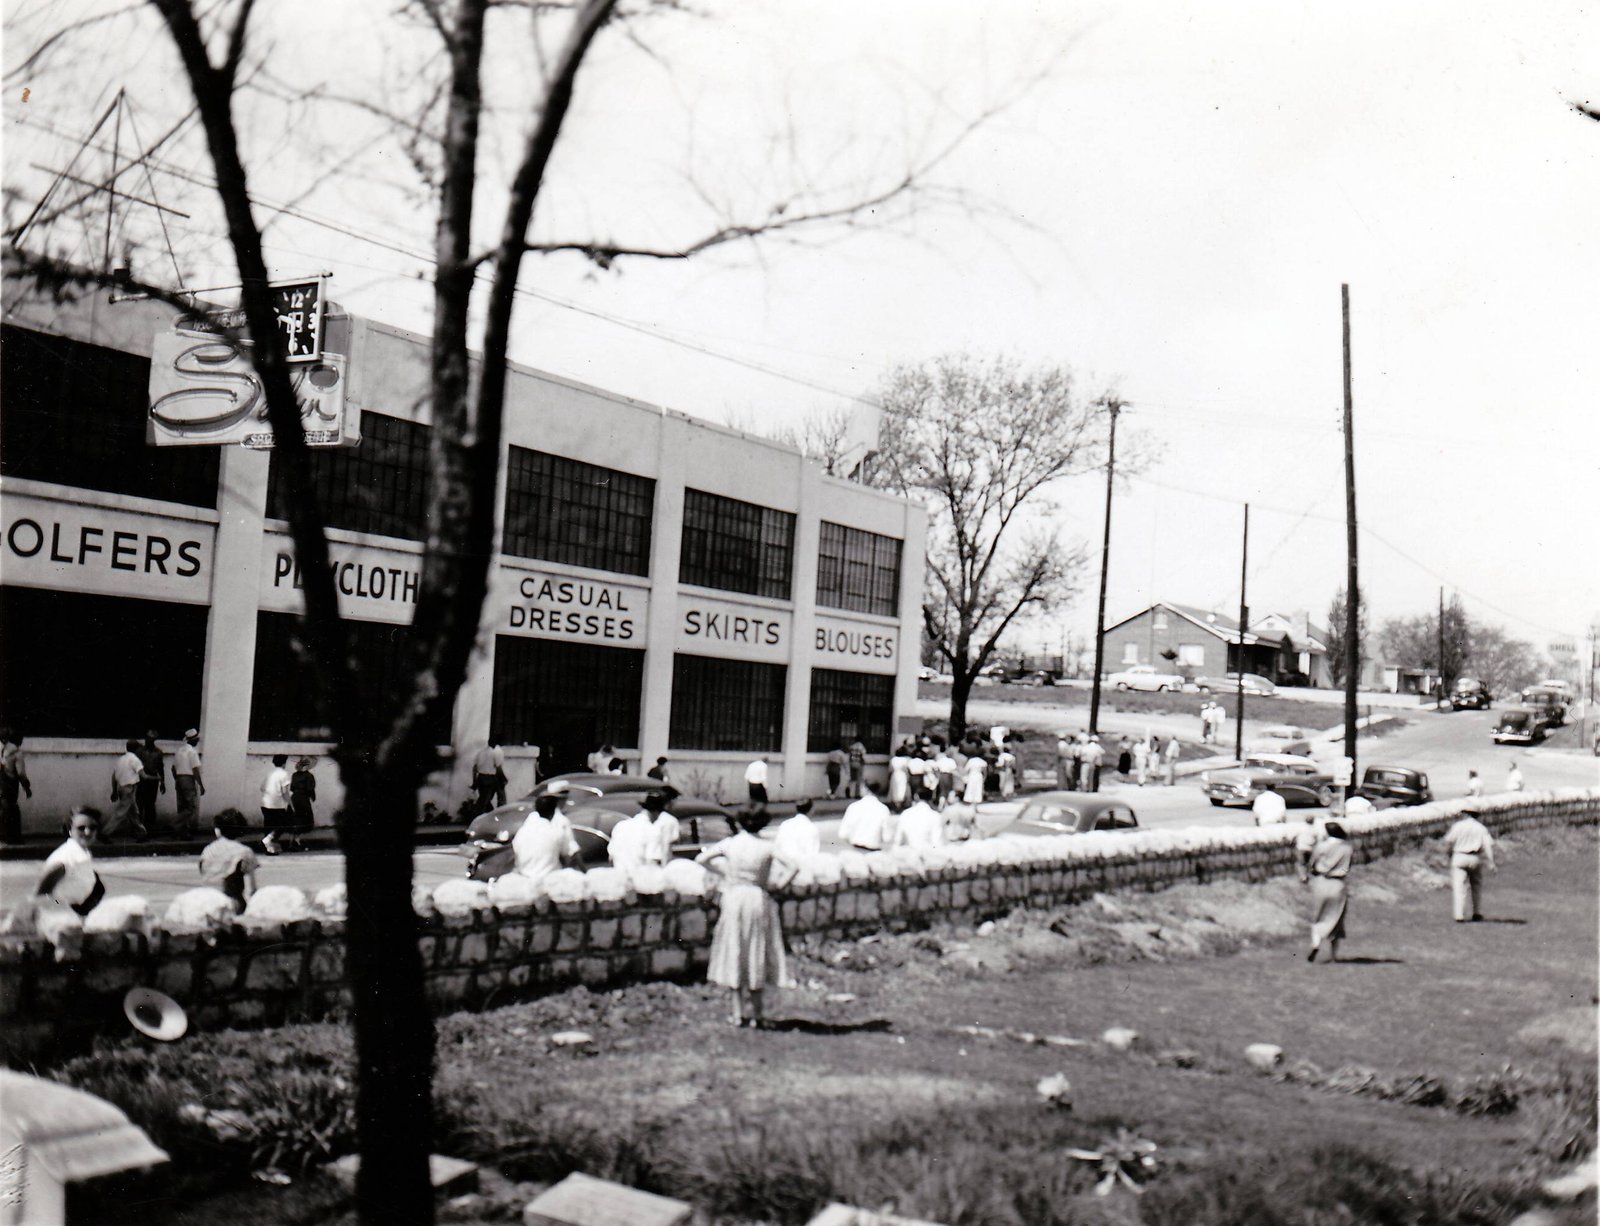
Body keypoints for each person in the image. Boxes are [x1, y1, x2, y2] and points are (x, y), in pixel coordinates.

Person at [696, 808, 797, 1028]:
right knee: (755, 948)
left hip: (734, 897)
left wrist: (725, 873)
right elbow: (793, 866)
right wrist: (778, 885)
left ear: (740, 822)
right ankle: (757, 1014)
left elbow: (701, 858)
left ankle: (737, 1013)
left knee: (736, 947)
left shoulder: (730, 843)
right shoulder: (767, 846)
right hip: (756, 897)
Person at [36, 807, 105, 917]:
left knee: (97, 884)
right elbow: (40, 894)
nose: (87, 832)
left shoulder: (82, 853)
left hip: (74, 912)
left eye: (92, 828)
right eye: (81, 828)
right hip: (58, 915)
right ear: (70, 830)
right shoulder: (65, 858)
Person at [1306, 820, 1352, 963]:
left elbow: (1312, 864)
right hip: (1338, 884)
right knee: (1336, 918)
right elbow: (1347, 867)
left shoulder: (1321, 846)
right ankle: (1333, 956)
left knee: (1318, 916)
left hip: (1321, 883)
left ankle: (1315, 944)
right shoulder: (1347, 848)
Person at [511, 793, 582, 882]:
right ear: (553, 812)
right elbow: (571, 854)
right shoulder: (557, 831)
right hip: (549, 879)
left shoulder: (522, 831)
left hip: (524, 878)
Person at [1442, 808, 1496, 922]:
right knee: (1476, 886)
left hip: (1459, 855)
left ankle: (1459, 915)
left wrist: (1448, 855)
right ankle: (1477, 912)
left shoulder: (1458, 826)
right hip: (1475, 857)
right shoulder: (1481, 828)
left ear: (1466, 814)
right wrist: (1491, 861)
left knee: (1459, 886)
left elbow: (1448, 842)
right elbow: (1487, 846)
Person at [200, 819, 259, 914]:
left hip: (206, 901)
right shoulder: (244, 851)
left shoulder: (207, 850)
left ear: (217, 830)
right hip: (232, 904)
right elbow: (250, 889)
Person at [106, 739, 147, 841]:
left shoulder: (121, 759)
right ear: (136, 749)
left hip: (122, 788)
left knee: (133, 812)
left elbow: (114, 776)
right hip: (129, 788)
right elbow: (144, 776)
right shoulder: (135, 760)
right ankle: (105, 832)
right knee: (120, 813)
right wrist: (156, 778)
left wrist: (114, 791)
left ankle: (142, 833)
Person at [1, 729, 34, 843]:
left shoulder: (2, 750)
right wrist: (27, 787)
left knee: (3, 810)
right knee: (12, 810)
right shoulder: (17, 753)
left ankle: (4, 836)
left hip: (1, 783)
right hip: (10, 784)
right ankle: (13, 837)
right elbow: (21, 773)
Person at [839, 782, 892, 851]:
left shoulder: (853, 807)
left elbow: (842, 834)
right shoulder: (884, 809)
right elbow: (887, 838)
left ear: (865, 789)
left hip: (856, 850)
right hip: (874, 851)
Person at [171, 728, 205, 836]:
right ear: (192, 740)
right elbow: (195, 770)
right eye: (196, 739)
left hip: (179, 779)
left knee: (181, 807)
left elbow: (173, 768)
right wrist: (201, 785)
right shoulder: (192, 752)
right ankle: (175, 824)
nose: (197, 741)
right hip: (188, 779)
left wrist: (178, 779)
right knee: (191, 807)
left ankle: (183, 832)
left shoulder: (179, 751)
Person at [259, 753, 292, 855]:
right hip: (277, 804)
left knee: (268, 826)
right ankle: (267, 841)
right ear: (284, 763)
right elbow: (285, 792)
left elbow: (262, 788)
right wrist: (290, 804)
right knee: (283, 825)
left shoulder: (270, 773)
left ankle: (269, 849)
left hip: (265, 803)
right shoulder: (284, 774)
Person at [135, 731, 167, 833]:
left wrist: (162, 782)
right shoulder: (139, 751)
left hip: (153, 781)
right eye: (147, 738)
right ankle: (138, 828)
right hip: (141, 780)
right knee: (139, 804)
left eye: (151, 739)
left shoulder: (158, 752)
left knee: (150, 805)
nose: (148, 741)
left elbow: (160, 768)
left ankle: (149, 828)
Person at [471, 736, 507, 815]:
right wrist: (504, 778)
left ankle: (489, 814)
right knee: (489, 800)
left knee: (484, 800)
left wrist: (474, 782)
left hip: (481, 777)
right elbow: (498, 768)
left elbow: (474, 769)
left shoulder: (481, 752)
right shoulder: (496, 752)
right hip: (490, 778)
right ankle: (481, 816)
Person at [287, 757, 317, 850]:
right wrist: (313, 797)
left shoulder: (294, 775)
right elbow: (310, 788)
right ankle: (297, 841)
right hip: (303, 799)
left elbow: (292, 788)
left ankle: (292, 841)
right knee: (303, 820)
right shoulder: (309, 776)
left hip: (294, 798)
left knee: (293, 820)